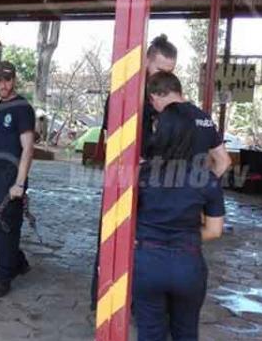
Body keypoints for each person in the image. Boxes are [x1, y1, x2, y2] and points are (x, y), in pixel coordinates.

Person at [133, 72, 225, 340]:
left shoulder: (143, 174)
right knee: (186, 333)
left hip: (148, 263)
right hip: (188, 263)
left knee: (150, 331)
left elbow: (126, 217)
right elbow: (215, 231)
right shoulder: (206, 180)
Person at [91, 34, 180, 309]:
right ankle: (102, 300)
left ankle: (137, 301)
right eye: (160, 71)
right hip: (123, 180)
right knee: (113, 240)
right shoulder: (123, 94)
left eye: (171, 73)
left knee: (147, 243)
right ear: (146, 62)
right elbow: (112, 138)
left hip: (155, 182)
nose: (165, 79)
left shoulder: (170, 100)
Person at [0, 60, 35, 298]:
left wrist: (20, 183)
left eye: (8, 79)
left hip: (12, 177)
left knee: (6, 227)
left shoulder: (22, 107)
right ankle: (18, 261)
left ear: (14, 80)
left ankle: (3, 278)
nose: (4, 85)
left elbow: (28, 148)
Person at [147, 71, 232, 177]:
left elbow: (155, 159)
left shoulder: (167, 117)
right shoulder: (204, 118)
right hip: (196, 187)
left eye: (152, 102)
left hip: (169, 189)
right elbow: (224, 161)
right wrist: (204, 186)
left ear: (154, 96)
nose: (154, 107)